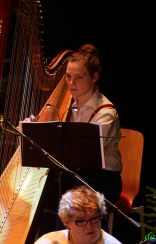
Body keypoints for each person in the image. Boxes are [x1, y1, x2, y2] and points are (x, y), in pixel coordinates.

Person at [25, 44, 122, 204]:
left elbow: (83, 158)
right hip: (73, 175)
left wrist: (45, 140)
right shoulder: (66, 104)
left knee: (75, 200)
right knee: (32, 193)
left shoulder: (106, 111)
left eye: (79, 77)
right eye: (68, 76)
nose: (71, 82)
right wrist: (34, 130)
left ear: (94, 77)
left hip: (102, 178)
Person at [34, 185, 121, 244]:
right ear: (67, 222)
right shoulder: (48, 241)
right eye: (81, 221)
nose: (89, 226)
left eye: (94, 218)